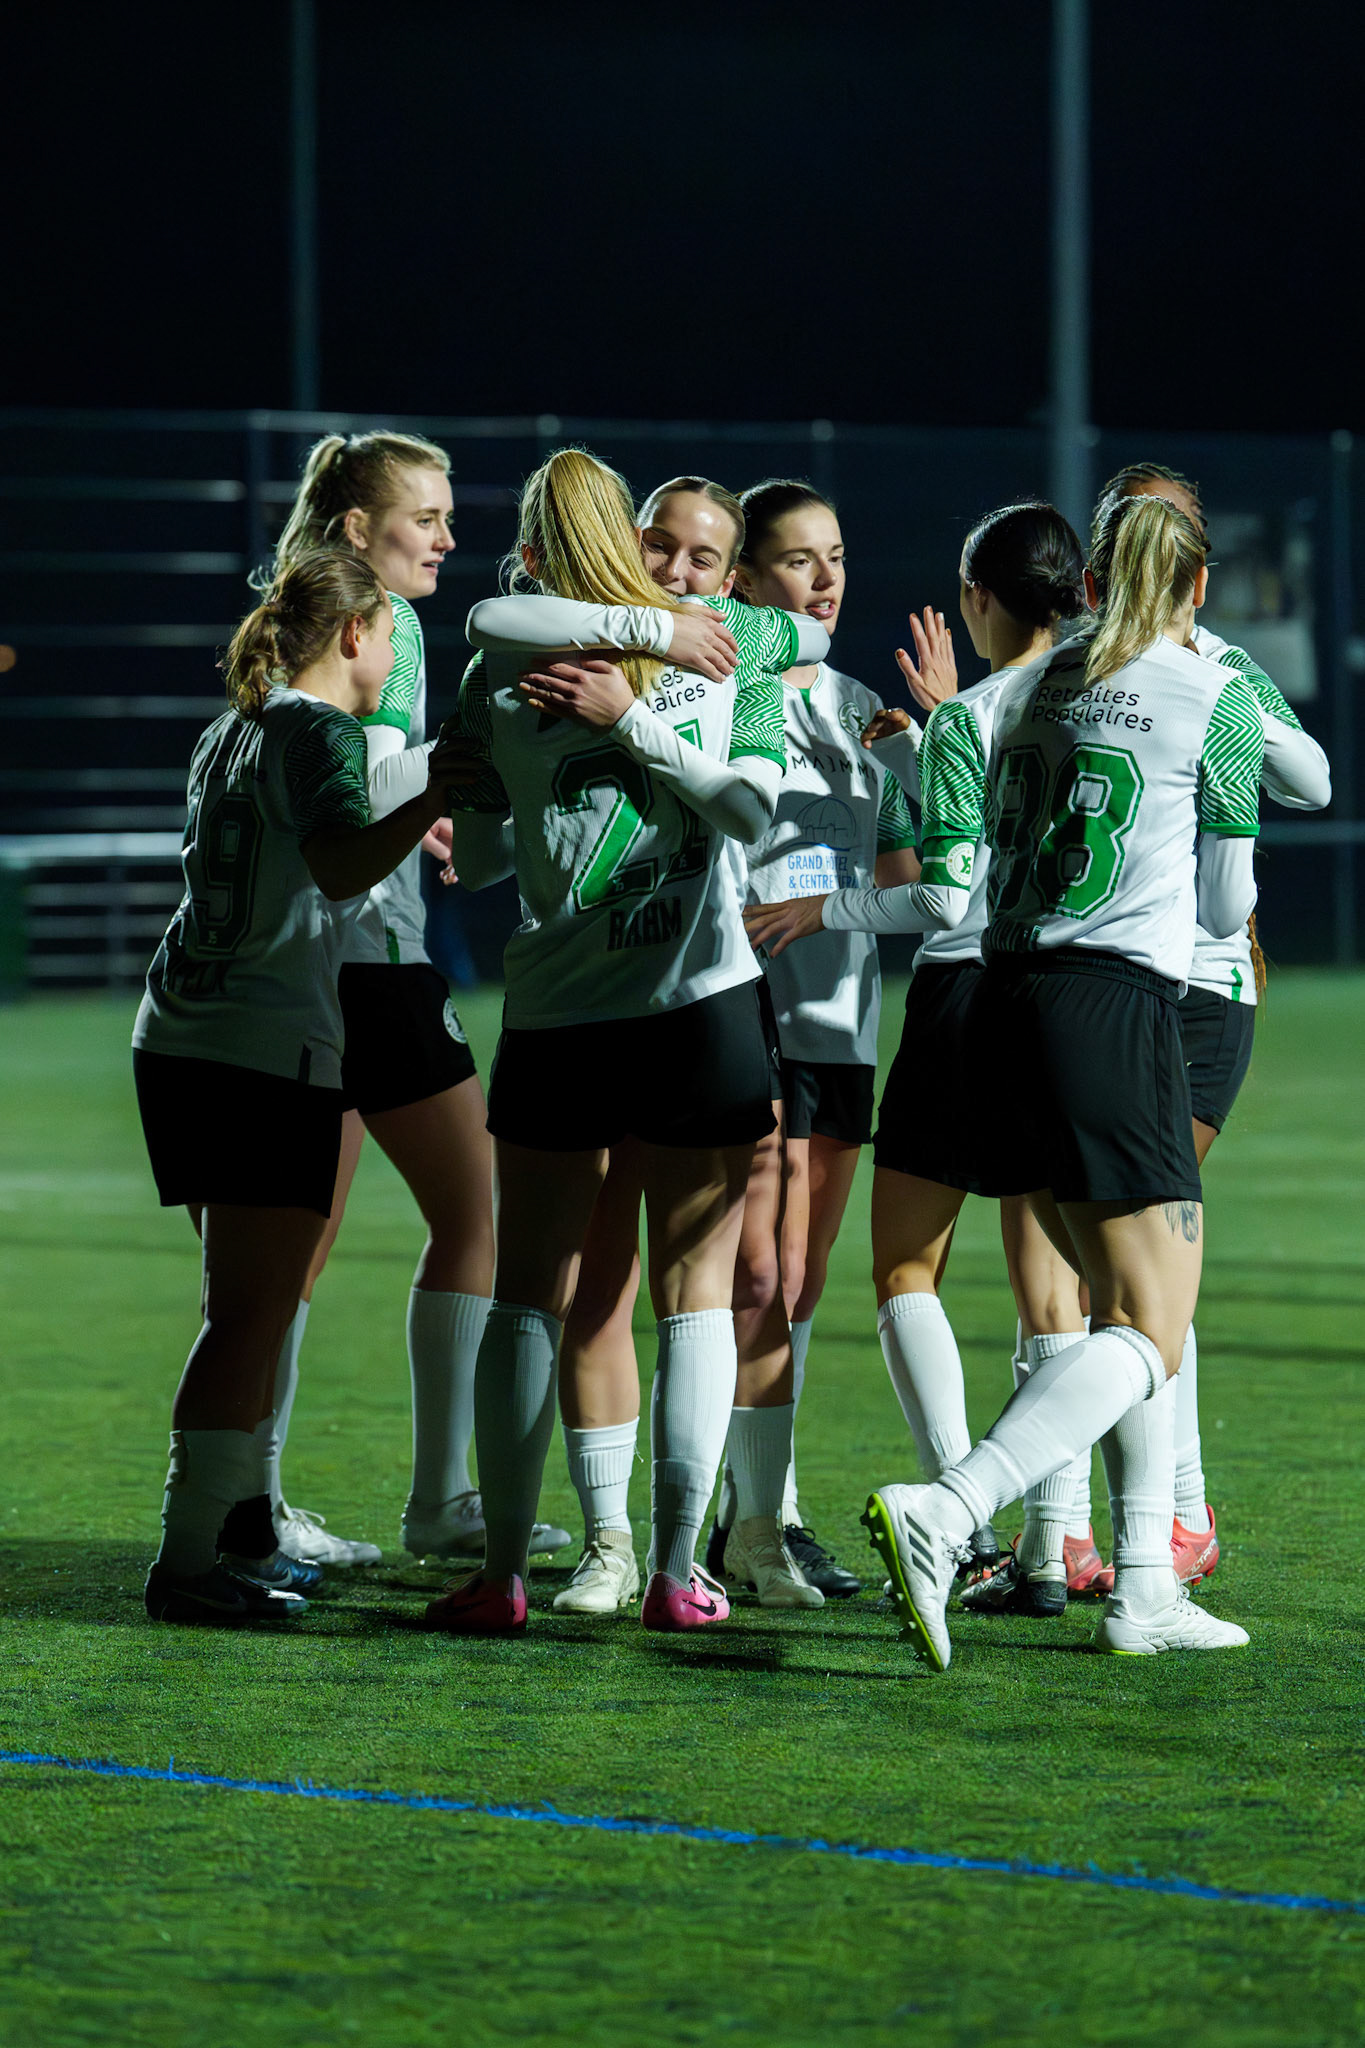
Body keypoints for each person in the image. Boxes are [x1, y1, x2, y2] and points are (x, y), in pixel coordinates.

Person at [858, 492, 1264, 1667]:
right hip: (1116, 1003)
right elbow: (1227, 905)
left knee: (1109, 1304)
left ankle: (1141, 1588)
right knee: (1150, 1317)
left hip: (1007, 993)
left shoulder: (1035, 687)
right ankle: (951, 1509)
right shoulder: (1216, 690)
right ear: (1195, 589)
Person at [423, 447, 800, 1636]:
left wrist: (503, 785)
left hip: (559, 1013)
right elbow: (751, 809)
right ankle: (678, 1568)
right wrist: (643, 705)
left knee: (529, 1294)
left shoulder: (500, 672)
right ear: (626, 541)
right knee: (691, 1295)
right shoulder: (719, 651)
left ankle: (500, 1572)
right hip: (697, 1005)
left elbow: (479, 867)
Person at [745, 503, 1094, 1612]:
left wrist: (826, 898)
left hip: (958, 991)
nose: (828, 577)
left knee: (904, 1267)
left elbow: (943, 891)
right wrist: (922, 747)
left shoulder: (966, 712)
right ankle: (1058, 1545)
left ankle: (961, 1512)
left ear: (980, 599)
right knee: (1061, 1290)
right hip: (1066, 991)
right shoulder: (1106, 693)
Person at [133, 551, 469, 1623]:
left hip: (182, 1028)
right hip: (257, 1043)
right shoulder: (315, 728)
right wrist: (435, 796)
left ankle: (226, 1534)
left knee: (241, 1304)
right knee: (248, 1315)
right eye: (387, 638)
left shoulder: (232, 724)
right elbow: (337, 864)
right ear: (359, 634)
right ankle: (190, 1563)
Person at [257, 432, 569, 1571]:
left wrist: (422, 799)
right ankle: (430, 1500)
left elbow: (346, 783)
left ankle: (261, 1497)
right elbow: (376, 774)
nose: (445, 537)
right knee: (466, 1217)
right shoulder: (381, 623)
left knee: (297, 1246)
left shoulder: (298, 613)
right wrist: (452, 769)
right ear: (357, 530)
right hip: (366, 965)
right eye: (424, 517)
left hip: (314, 964)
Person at [1062, 463, 1332, 1591]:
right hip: (1107, 980)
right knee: (1109, 1271)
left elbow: (1310, 776)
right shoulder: (1084, 665)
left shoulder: (1207, 668)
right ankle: (1089, 1525)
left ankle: (1163, 1514)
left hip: (1198, 986)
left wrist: (1224, 707)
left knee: (1134, 1267)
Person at [703, 478, 920, 1602]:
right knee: (758, 1272)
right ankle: (742, 1521)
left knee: (804, 1279)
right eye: (797, 558)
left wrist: (916, 765)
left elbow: (906, 884)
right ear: (743, 580)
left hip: (842, 1020)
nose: (826, 577)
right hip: (749, 1005)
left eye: (835, 555)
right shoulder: (722, 687)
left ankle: (763, 1507)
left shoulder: (856, 705)